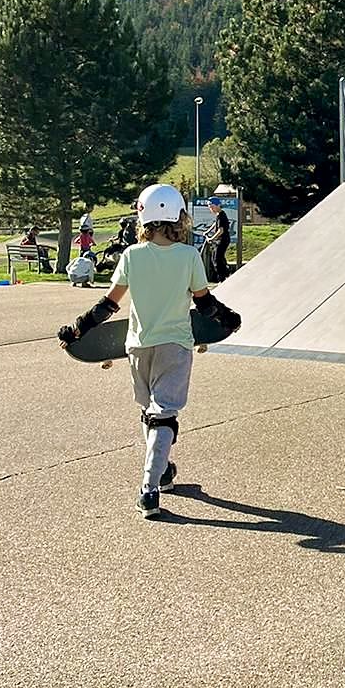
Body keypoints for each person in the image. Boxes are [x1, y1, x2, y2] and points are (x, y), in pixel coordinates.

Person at [57, 184, 240, 518]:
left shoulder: (132, 255)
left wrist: (77, 329)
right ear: (179, 217)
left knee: (150, 413)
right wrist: (228, 319)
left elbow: (108, 305)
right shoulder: (188, 256)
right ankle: (149, 488)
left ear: (143, 217)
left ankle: (163, 469)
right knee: (164, 414)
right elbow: (205, 303)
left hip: (138, 347)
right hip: (176, 346)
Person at [206, 197, 232, 283]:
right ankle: (227, 274)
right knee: (219, 258)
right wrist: (208, 231)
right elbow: (215, 224)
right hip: (220, 240)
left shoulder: (222, 215)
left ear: (218, 205)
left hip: (223, 240)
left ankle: (222, 278)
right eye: (210, 207)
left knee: (216, 259)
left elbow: (221, 230)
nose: (211, 209)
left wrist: (211, 238)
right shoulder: (219, 215)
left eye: (212, 207)